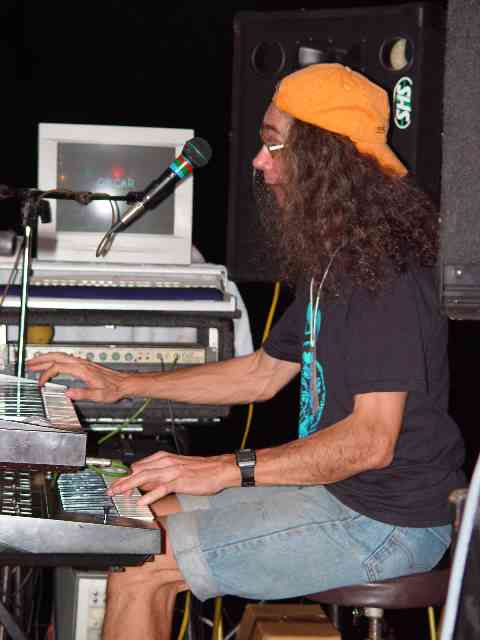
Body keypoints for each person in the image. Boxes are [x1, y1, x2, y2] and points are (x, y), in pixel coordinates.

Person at [27, 63, 465, 640]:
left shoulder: (383, 272)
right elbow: (262, 374)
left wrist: (223, 469)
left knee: (141, 562)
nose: (259, 161)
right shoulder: (338, 260)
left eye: (273, 144)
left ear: (325, 156)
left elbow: (370, 442)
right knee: (130, 527)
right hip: (339, 494)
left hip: (385, 521)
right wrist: (124, 383)